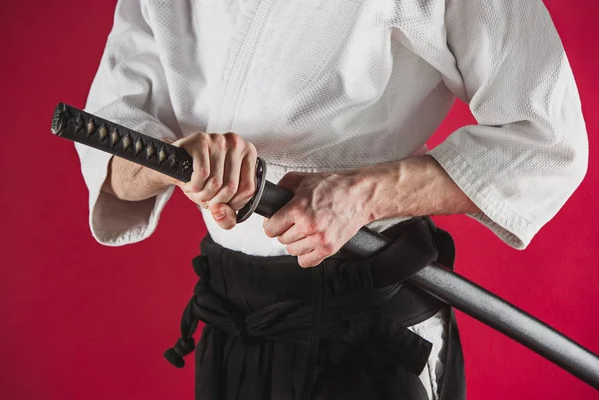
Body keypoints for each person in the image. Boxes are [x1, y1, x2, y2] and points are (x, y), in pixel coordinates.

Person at [75, 0, 588, 399]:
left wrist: (363, 194)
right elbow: (115, 146)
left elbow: (546, 138)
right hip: (235, 316)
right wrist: (175, 159)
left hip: (369, 320)